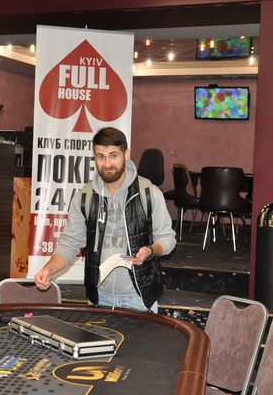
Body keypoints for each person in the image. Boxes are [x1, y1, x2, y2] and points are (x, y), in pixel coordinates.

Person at [35, 127, 176, 312]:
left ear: (126, 154)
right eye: (101, 156)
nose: (107, 163)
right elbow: (70, 243)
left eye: (113, 155)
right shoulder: (84, 197)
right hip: (99, 297)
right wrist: (48, 269)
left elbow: (167, 239)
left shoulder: (149, 193)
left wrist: (150, 250)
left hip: (139, 298)